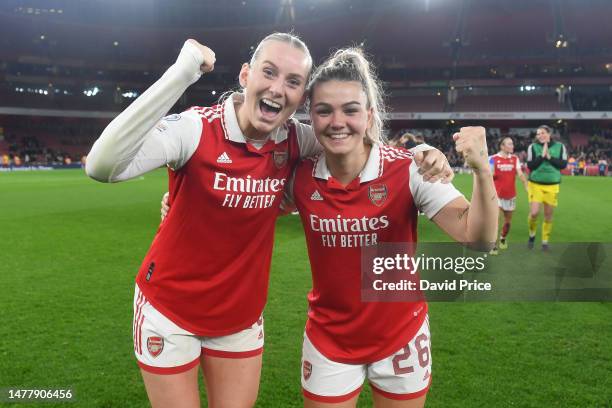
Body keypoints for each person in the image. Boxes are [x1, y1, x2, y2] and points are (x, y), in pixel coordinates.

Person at [86, 34, 453, 408]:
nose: (278, 89)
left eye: (293, 82)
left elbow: (359, 144)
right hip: (169, 309)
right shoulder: (197, 128)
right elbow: (101, 166)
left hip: (240, 318)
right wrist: (181, 74)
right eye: (269, 72)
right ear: (246, 75)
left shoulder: (297, 139)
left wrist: (420, 154)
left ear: (301, 97)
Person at [289, 48, 497, 407]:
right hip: (328, 340)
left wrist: (481, 168)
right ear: (312, 116)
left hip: (401, 336)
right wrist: (175, 204)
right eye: (324, 110)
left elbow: (478, 238)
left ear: (369, 115)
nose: (337, 121)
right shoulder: (299, 177)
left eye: (350, 110)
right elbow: (246, 205)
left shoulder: (409, 169)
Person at [526, 125, 568, 251]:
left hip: (552, 185)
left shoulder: (560, 147)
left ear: (549, 134)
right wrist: (542, 156)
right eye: (538, 134)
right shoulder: (532, 147)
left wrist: (549, 157)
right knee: (534, 213)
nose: (540, 136)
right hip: (535, 184)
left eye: (543, 133)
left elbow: (563, 165)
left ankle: (545, 241)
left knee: (548, 215)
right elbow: (530, 166)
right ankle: (532, 235)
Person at [488, 137, 528, 254]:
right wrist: (492, 173)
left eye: (512, 144)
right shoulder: (492, 159)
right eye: (509, 144)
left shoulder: (515, 159)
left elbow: (520, 173)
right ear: (502, 146)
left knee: (508, 222)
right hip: (496, 195)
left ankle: (503, 238)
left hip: (510, 195)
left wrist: (525, 184)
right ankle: (493, 245)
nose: (512, 146)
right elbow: (489, 175)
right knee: (496, 220)